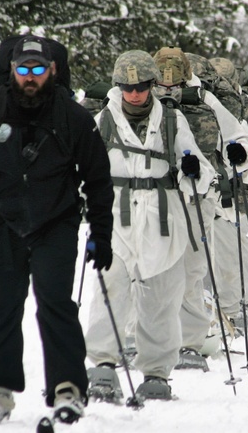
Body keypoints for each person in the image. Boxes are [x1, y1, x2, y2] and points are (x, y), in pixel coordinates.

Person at [0, 35, 114, 425]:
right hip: (3, 222)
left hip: (56, 222)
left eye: (39, 69)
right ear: (12, 71)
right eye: (24, 70)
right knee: (3, 305)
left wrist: (101, 233)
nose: (31, 77)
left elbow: (98, 180)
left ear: (52, 71)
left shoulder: (74, 118)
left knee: (55, 303)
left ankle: (68, 390)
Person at [85, 50, 215, 401]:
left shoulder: (172, 121)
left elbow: (199, 170)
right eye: (127, 87)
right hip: (116, 218)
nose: (134, 94)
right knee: (109, 289)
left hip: (162, 219)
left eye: (141, 86)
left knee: (160, 297)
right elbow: (85, 168)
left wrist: (192, 170)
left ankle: (156, 372)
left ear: (152, 85)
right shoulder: (103, 121)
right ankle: (103, 365)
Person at [151, 47, 248, 370]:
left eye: (175, 85)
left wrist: (239, 153)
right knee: (149, 268)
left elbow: (238, 136)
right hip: (153, 197)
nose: (168, 91)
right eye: (161, 85)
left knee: (192, 269)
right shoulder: (142, 102)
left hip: (198, 196)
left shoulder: (204, 102)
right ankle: (144, 339)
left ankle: (191, 342)